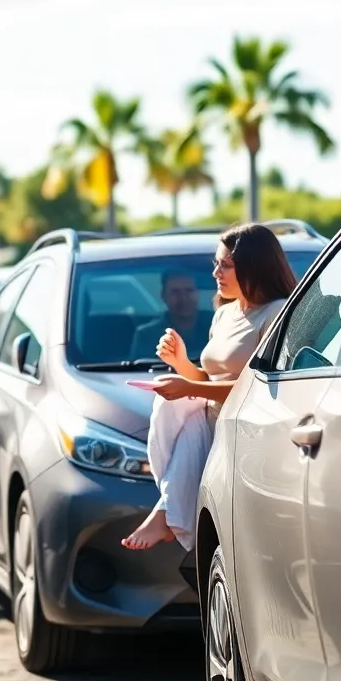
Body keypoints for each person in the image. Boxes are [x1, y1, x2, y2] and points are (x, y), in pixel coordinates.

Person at [122, 223, 298, 551]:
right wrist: (182, 365)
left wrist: (188, 385)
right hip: (212, 425)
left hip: (246, 438)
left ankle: (167, 514)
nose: (216, 272)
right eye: (216, 263)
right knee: (178, 410)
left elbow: (259, 385)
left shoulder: (277, 313)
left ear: (255, 265)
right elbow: (209, 379)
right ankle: (169, 512)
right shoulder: (224, 313)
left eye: (225, 264)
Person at [128, 269, 208, 360]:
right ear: (163, 296)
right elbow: (140, 370)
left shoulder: (217, 326)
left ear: (198, 293)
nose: (183, 298)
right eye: (175, 292)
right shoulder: (147, 335)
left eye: (189, 291)